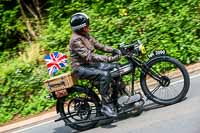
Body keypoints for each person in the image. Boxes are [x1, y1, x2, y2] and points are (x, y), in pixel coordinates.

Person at [69, 13, 121, 117]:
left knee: (116, 67)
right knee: (105, 75)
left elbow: (99, 46)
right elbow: (89, 56)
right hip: (80, 68)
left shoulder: (85, 35)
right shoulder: (75, 40)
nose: (88, 26)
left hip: (89, 65)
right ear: (81, 27)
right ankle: (106, 105)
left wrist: (114, 50)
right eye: (86, 25)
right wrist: (108, 58)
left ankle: (116, 98)